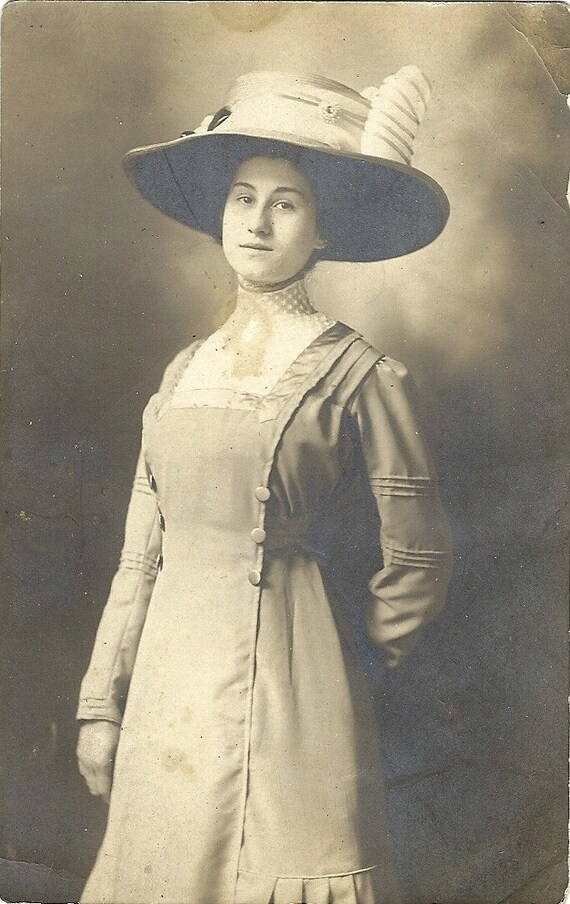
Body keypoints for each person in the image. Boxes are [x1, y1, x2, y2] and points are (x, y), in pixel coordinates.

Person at [76, 69, 453, 904]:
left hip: (296, 697)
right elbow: (139, 561)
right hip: (171, 706)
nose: (257, 221)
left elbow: (419, 557)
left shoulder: (365, 374)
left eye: (286, 203)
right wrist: (101, 707)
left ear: (323, 229)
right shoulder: (181, 376)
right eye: (243, 197)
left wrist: (345, 666)